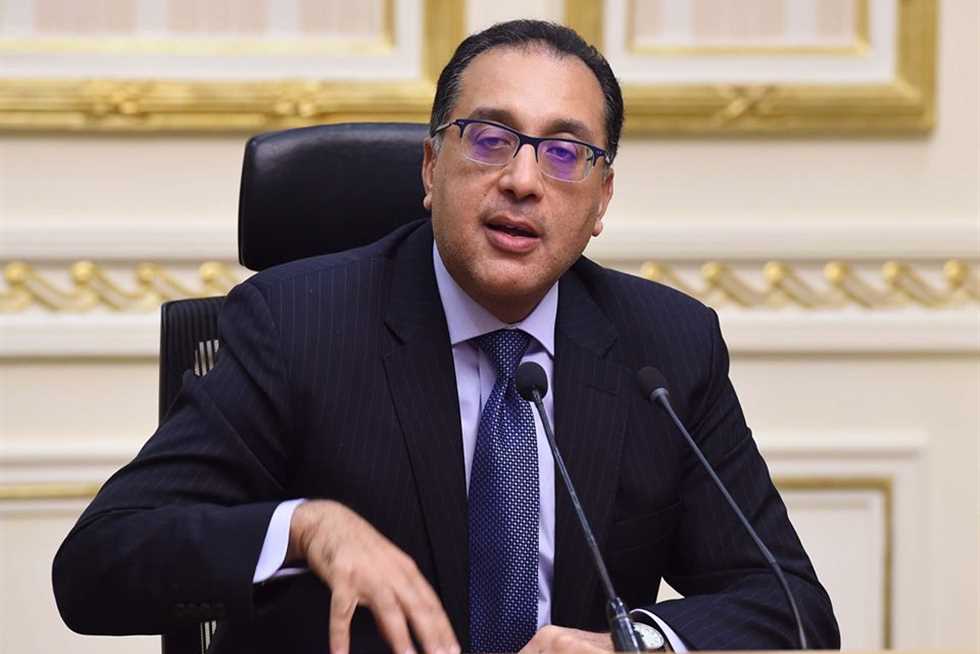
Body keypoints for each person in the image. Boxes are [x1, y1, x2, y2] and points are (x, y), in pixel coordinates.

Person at [53, 20, 839, 654]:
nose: (523, 180)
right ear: (431, 168)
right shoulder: (296, 325)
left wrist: (631, 644)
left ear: (601, 202)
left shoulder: (663, 347)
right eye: (491, 139)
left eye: (565, 154)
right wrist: (303, 527)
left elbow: (793, 609)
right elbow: (96, 566)